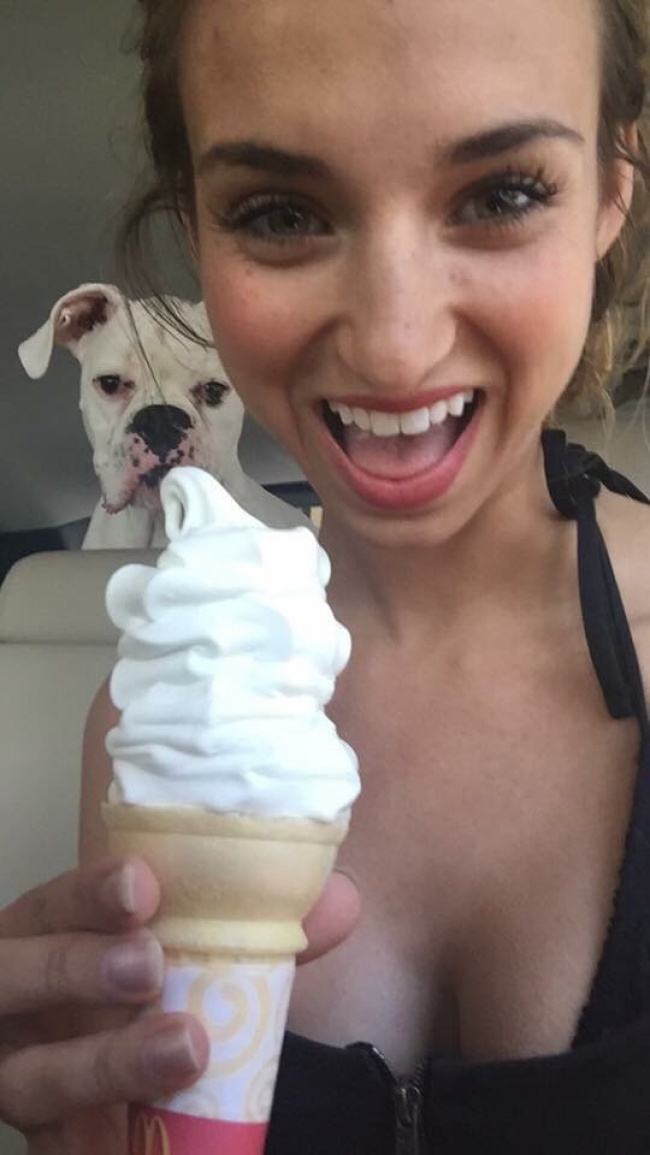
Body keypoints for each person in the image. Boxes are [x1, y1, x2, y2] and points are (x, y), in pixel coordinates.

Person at [1, 0, 650, 1150]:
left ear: (611, 189)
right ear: (196, 232)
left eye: (500, 194)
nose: (393, 347)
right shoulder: (157, 718)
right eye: (280, 214)